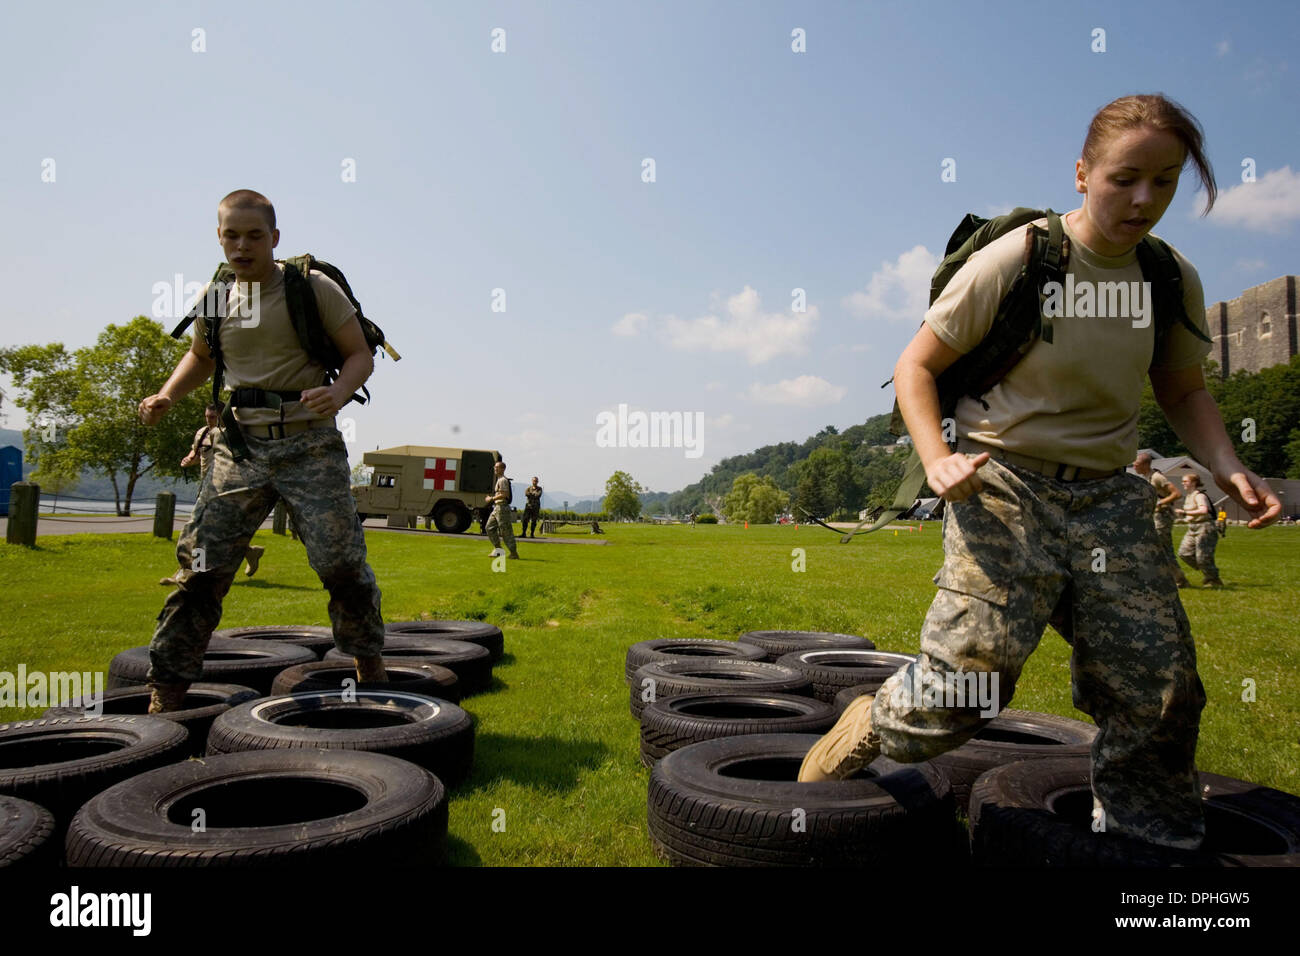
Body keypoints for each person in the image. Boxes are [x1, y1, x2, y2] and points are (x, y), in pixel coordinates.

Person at [799, 95, 1281, 853]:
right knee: (965, 690)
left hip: (1109, 500)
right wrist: (938, 458)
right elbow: (917, 365)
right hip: (1004, 484)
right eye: (1125, 178)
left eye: (1165, 181)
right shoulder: (1021, 257)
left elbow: (1182, 388)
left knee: (1161, 693)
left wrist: (1227, 466)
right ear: (1083, 174)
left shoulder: (1167, 276)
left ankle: (1145, 848)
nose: (1144, 199)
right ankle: (865, 724)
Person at [137, 189, 387, 713]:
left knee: (340, 563)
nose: (242, 245)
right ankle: (167, 690)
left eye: (255, 235)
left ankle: (367, 658)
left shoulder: (310, 288)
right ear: (219, 236)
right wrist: (166, 394)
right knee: (200, 569)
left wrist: (338, 393)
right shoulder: (217, 292)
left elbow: (359, 355)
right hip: (239, 448)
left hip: (309, 445)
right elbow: (201, 357)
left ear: (275, 239)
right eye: (232, 234)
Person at [161, 403, 266, 583]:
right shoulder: (202, 433)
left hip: (227, 488)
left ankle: (193, 572)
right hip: (206, 487)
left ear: (222, 416)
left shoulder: (232, 435)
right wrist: (188, 460)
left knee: (201, 531)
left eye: (212, 417)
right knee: (202, 531)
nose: (208, 421)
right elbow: (196, 454)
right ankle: (246, 553)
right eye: (207, 417)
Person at [1133, 451, 1190, 587]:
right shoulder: (1147, 478)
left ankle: (1179, 579)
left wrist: (1160, 503)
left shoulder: (1157, 477)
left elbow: (1177, 493)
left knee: (1163, 548)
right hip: (1154, 517)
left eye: (1137, 464)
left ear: (1145, 464)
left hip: (1163, 517)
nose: (1134, 466)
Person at [1176, 472, 1222, 587]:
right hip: (1192, 528)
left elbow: (1203, 510)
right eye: (1183, 481)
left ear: (1194, 483)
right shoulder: (1188, 496)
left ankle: (1213, 580)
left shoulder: (1200, 496)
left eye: (1185, 481)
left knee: (1202, 556)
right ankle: (1207, 569)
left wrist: (1185, 512)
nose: (1183, 483)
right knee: (1184, 553)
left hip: (1205, 527)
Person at [484, 460, 518, 559]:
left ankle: (513, 553)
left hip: (502, 508)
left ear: (503, 469)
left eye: (497, 467)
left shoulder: (503, 480)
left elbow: (504, 494)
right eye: (495, 467)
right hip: (497, 508)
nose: (495, 469)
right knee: (489, 528)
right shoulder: (499, 479)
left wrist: (491, 499)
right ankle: (498, 550)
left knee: (505, 531)